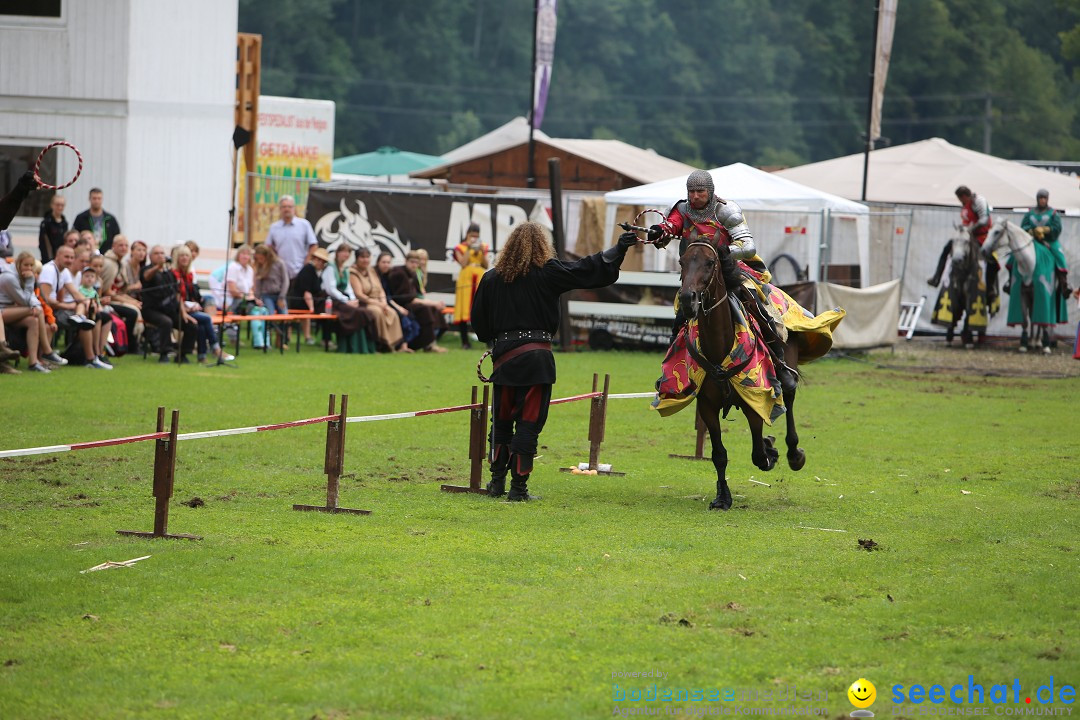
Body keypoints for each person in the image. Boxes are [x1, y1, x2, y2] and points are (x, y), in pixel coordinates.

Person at [471, 221, 636, 501]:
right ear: (543, 246)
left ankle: (497, 483)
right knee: (528, 423)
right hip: (537, 359)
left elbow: (481, 326)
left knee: (501, 421)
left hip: (505, 359)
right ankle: (518, 489)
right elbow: (586, 269)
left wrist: (499, 339)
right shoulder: (549, 273)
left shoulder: (491, 278)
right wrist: (618, 249)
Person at [648, 169, 798, 393]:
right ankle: (671, 373)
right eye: (691, 192)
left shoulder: (726, 210)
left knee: (757, 304)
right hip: (695, 274)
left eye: (700, 191)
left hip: (727, 271)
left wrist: (720, 252)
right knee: (680, 318)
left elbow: (748, 247)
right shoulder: (680, 208)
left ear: (710, 192)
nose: (695, 196)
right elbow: (671, 226)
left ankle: (780, 364)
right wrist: (659, 232)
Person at [0, 252, 67, 372]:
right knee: (38, 311)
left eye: (31, 265)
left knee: (33, 321)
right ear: (18, 264)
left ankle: (34, 362)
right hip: (2, 311)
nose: (29, 268)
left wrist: (35, 304)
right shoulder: (9, 277)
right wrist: (31, 280)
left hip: (12, 309)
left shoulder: (22, 276)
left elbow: (31, 298)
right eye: (26, 265)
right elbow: (24, 300)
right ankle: (47, 351)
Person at [38, 245, 101, 367]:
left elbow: (76, 294)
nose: (70, 260)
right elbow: (44, 299)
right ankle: (91, 359)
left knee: (86, 321)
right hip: (47, 310)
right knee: (85, 323)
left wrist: (86, 301)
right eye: (67, 257)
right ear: (57, 256)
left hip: (56, 309)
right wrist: (68, 306)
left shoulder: (64, 271)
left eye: (72, 257)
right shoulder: (49, 270)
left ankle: (93, 357)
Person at [171, 244, 232, 363]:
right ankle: (215, 348)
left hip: (188, 308)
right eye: (182, 255)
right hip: (176, 310)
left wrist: (195, 304)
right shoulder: (173, 274)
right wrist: (186, 309)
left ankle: (202, 356)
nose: (184, 258)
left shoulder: (189, 275)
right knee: (206, 319)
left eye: (187, 256)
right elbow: (175, 296)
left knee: (201, 325)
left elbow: (193, 295)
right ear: (176, 258)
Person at [1020, 188, 1069, 327]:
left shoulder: (1053, 213)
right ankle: (1010, 281)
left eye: (1044, 198)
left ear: (1047, 199)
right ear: (1037, 199)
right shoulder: (1030, 212)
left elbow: (1057, 228)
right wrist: (1031, 231)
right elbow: (1023, 226)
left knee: (1060, 256)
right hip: (1032, 241)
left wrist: (1046, 230)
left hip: (1049, 241)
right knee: (1015, 256)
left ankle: (1064, 283)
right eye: (1040, 198)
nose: (1042, 200)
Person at [141, 244, 196, 363]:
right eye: (156, 253)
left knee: (191, 324)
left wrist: (184, 314)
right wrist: (158, 266)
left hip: (168, 309)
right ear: (150, 257)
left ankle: (182, 354)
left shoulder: (169, 273)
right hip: (151, 310)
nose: (160, 256)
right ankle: (164, 353)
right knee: (166, 322)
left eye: (162, 253)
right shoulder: (146, 269)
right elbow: (146, 277)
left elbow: (177, 295)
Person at [349, 246, 409, 353]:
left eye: (367, 257)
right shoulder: (352, 272)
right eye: (362, 257)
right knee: (377, 313)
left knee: (393, 313)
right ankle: (381, 344)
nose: (365, 260)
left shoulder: (371, 270)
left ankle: (394, 345)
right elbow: (359, 294)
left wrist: (383, 302)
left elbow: (381, 289)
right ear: (357, 258)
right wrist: (377, 303)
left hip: (379, 300)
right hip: (365, 302)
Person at [388, 250, 447, 353]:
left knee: (435, 310)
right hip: (400, 304)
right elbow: (407, 298)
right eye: (412, 262)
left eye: (416, 262)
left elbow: (419, 294)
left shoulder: (414, 274)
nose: (414, 265)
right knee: (426, 310)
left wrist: (434, 303)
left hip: (413, 302)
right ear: (405, 261)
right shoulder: (399, 273)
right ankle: (419, 344)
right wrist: (432, 303)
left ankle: (430, 343)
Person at [321, 244, 369, 353]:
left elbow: (348, 287)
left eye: (348, 252)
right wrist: (347, 301)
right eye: (343, 252)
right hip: (330, 301)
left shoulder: (346, 269)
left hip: (342, 299)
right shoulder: (330, 268)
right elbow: (330, 290)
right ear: (338, 253)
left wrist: (353, 299)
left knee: (363, 311)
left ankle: (359, 345)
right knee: (353, 312)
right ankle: (346, 345)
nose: (346, 255)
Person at [100, 234, 142, 343]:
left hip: (116, 297)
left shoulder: (120, 263)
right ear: (113, 246)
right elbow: (106, 290)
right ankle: (126, 343)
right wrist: (129, 302)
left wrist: (132, 301)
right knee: (132, 312)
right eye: (120, 245)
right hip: (106, 300)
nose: (123, 248)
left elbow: (121, 290)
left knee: (138, 306)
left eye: (126, 245)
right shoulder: (109, 264)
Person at [453, 223, 488, 349]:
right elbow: (462, 263)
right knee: (463, 308)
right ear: (467, 235)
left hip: (479, 277)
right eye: (472, 235)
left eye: (476, 235)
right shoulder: (459, 247)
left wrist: (482, 252)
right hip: (465, 279)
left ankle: (488, 341)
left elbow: (486, 265)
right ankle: (465, 342)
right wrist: (468, 248)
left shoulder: (483, 246)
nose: (474, 238)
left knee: (482, 307)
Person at [265, 195, 317, 280]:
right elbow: (268, 246)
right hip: (281, 273)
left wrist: (307, 262)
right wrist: (276, 260)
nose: (287, 209)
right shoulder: (274, 227)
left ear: (294, 208)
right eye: (284, 207)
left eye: (289, 206)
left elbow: (314, 245)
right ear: (280, 209)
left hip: (300, 270)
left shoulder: (304, 224)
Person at [376, 251, 419, 347]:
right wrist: (398, 308)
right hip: (381, 302)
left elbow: (390, 296)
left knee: (411, 319)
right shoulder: (376, 275)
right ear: (378, 262)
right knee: (402, 318)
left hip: (390, 302)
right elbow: (385, 296)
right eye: (383, 262)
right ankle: (396, 345)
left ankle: (404, 345)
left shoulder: (389, 275)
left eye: (388, 262)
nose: (386, 265)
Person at [288, 246, 330, 344]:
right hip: (298, 300)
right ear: (314, 259)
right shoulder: (308, 270)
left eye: (323, 262)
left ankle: (308, 336)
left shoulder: (316, 272)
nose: (321, 263)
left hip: (306, 300)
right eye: (319, 260)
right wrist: (312, 308)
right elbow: (306, 292)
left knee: (306, 316)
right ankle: (289, 337)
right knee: (299, 316)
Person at [76, 264, 115, 367]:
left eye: (92, 277)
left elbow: (98, 305)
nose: (89, 279)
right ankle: (95, 352)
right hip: (85, 312)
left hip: (94, 311)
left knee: (107, 317)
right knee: (97, 317)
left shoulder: (94, 292)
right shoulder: (79, 290)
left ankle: (100, 351)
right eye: (87, 276)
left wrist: (101, 304)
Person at [253, 243, 290, 347]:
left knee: (284, 316)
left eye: (261, 258)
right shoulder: (260, 266)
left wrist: (282, 297)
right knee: (270, 316)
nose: (259, 260)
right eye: (258, 258)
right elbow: (258, 283)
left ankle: (281, 340)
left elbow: (286, 281)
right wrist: (257, 297)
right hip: (266, 295)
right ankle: (267, 340)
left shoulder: (279, 263)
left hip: (279, 294)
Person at [72, 187, 121, 253]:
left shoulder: (110, 219)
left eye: (99, 198)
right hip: (86, 254)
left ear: (102, 199)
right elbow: (74, 236)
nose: (97, 201)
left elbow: (117, 237)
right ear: (89, 199)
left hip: (106, 254)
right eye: (94, 198)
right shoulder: (81, 218)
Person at [38, 194, 68, 262]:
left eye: (62, 205)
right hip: (49, 259)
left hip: (62, 258)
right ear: (52, 205)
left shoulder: (64, 223)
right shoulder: (46, 223)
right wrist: (49, 260)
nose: (60, 207)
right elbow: (44, 244)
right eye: (57, 205)